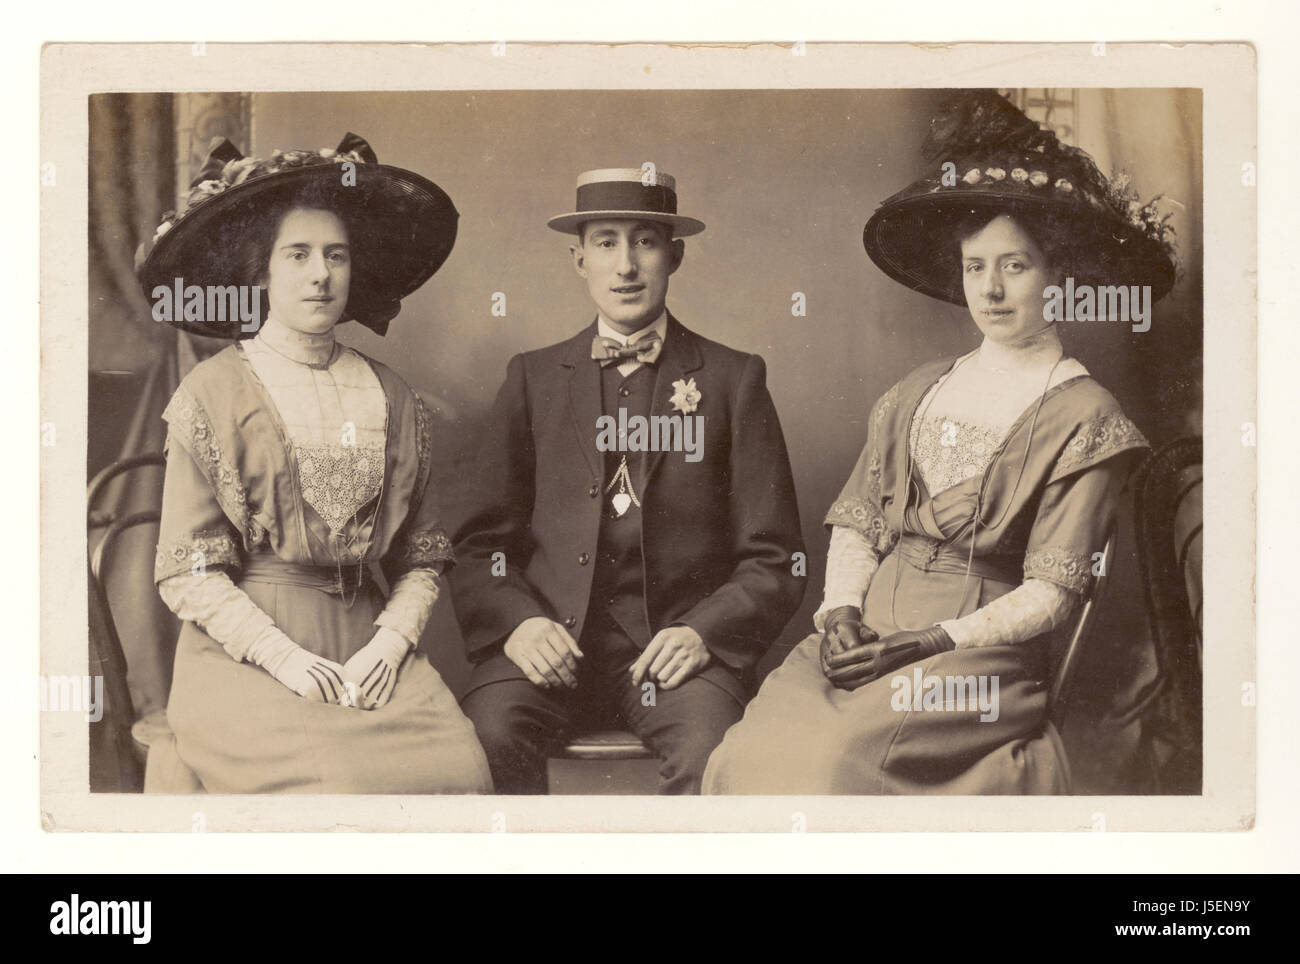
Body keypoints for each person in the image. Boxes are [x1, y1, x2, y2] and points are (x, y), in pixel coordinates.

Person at [703, 91, 1176, 794]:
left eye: (1015, 265)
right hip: (866, 634)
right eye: (975, 266)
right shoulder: (915, 391)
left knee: (831, 763)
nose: (992, 289)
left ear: (1058, 274)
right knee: (745, 755)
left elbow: (1052, 594)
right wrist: (839, 617)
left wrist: (927, 642)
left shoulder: (1086, 417)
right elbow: (861, 527)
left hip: (978, 654)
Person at [138, 133, 492, 793]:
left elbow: (421, 557)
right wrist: (283, 658)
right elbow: (189, 574)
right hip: (245, 654)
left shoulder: (393, 397)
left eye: (337, 255)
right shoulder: (211, 394)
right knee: (340, 785)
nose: (320, 274)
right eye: (297, 255)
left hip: (370, 644)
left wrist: (390, 644)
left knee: (462, 771)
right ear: (261, 270)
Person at [450, 168, 806, 793]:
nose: (626, 266)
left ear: (676, 254)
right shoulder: (533, 378)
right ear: (578, 258)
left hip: (672, 657)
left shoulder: (733, 379)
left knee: (715, 756)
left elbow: (775, 558)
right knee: (483, 741)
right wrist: (520, 623)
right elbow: (479, 546)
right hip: (549, 647)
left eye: (644, 241)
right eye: (606, 243)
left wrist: (704, 631)